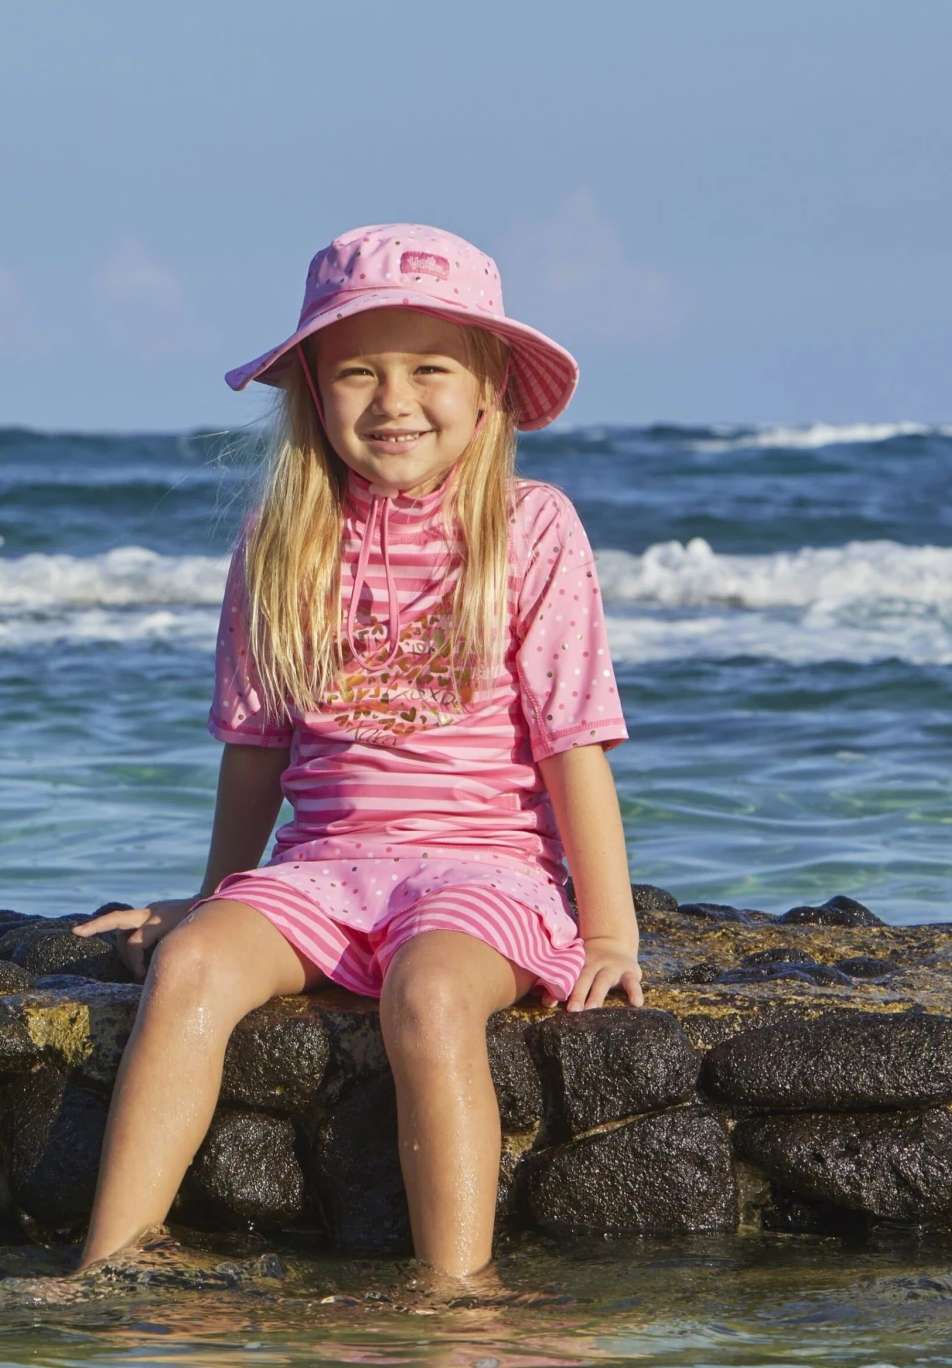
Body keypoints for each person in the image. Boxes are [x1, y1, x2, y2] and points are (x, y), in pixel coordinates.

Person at [74, 224, 641, 1279]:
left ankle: (453, 1294)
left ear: (488, 389)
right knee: (190, 967)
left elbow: (574, 741)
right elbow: (255, 745)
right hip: (321, 873)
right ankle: (110, 1266)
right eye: (357, 373)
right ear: (312, 390)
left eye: (429, 369)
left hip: (485, 873)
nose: (393, 401)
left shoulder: (531, 526)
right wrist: (211, 895)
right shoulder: (283, 535)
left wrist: (609, 932)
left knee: (427, 995)